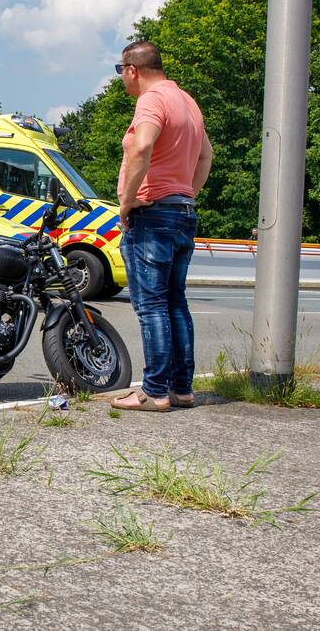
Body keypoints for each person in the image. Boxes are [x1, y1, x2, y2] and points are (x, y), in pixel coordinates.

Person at [112, 41, 214, 412]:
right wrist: (187, 192)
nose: (121, 78)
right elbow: (206, 155)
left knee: (151, 305)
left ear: (132, 69)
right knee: (175, 302)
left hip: (153, 215)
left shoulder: (152, 100)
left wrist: (128, 199)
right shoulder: (187, 101)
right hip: (182, 212)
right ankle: (181, 389)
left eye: (120, 71)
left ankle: (154, 391)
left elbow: (142, 147)